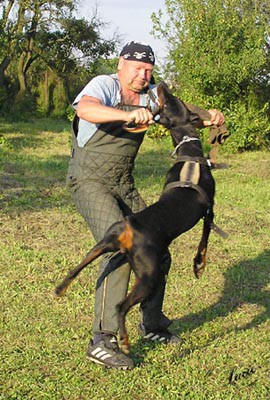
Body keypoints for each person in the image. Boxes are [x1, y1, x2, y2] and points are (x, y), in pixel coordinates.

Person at [68, 41, 225, 370]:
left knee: (158, 249)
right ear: (122, 64)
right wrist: (127, 113)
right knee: (122, 249)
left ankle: (152, 324)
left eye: (149, 70)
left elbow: (184, 112)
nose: (143, 76)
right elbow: (87, 109)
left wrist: (209, 117)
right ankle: (102, 339)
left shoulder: (152, 94)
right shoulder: (105, 85)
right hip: (89, 182)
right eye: (137, 68)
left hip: (123, 183)